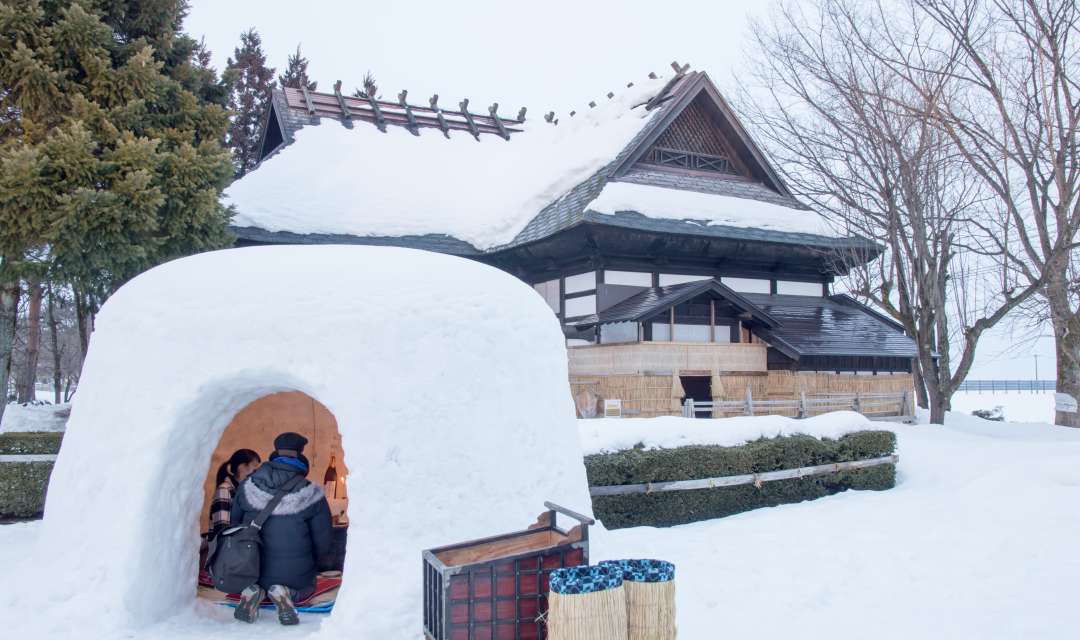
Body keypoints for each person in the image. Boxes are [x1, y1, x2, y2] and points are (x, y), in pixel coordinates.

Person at [230, 432, 332, 625]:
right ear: (301, 457)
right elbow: (323, 541)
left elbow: (234, 527)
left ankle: (253, 591)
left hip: (250, 568)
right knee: (306, 587)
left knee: (255, 580)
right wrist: (317, 562)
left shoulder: (246, 486)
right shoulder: (312, 493)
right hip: (296, 573)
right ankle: (286, 593)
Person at [208, 449, 261, 541]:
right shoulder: (225, 490)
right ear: (242, 467)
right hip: (227, 549)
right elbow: (221, 530)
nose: (256, 473)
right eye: (254, 469)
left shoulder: (242, 490)